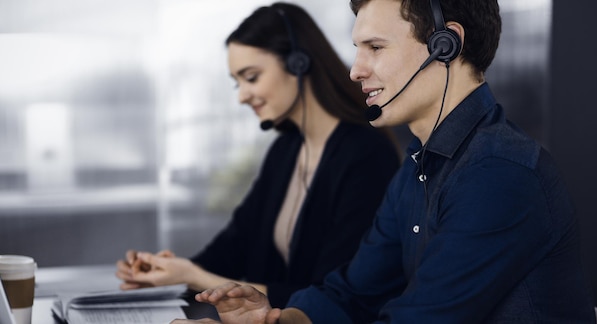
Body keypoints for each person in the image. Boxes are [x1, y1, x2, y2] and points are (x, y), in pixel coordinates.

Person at [174, 0, 597, 322]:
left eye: (375, 47)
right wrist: (278, 319)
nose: (356, 70)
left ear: (444, 45)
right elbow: (352, 292)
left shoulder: (499, 174)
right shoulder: (418, 166)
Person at [115, 2, 400, 309]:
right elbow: (234, 245)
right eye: (237, 82)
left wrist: (194, 275)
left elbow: (329, 297)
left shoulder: (365, 154)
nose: (242, 95)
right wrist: (168, 271)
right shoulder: (287, 149)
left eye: (251, 77)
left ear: (298, 64)